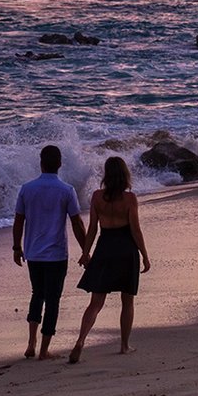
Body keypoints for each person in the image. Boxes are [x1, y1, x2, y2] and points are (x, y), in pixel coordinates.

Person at [68, 155, 151, 364]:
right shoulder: (130, 199)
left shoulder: (97, 197)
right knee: (127, 300)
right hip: (126, 249)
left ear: (106, 174)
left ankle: (80, 341)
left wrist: (86, 253)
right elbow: (136, 230)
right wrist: (145, 255)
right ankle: (124, 346)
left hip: (104, 248)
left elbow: (93, 229)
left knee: (96, 302)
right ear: (124, 175)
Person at [13, 144, 84, 361]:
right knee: (53, 300)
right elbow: (77, 223)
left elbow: (18, 221)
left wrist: (17, 247)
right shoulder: (66, 190)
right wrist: (86, 250)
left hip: (33, 253)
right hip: (56, 254)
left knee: (37, 294)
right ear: (60, 164)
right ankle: (44, 350)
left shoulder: (27, 188)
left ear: (41, 163)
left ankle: (31, 342)